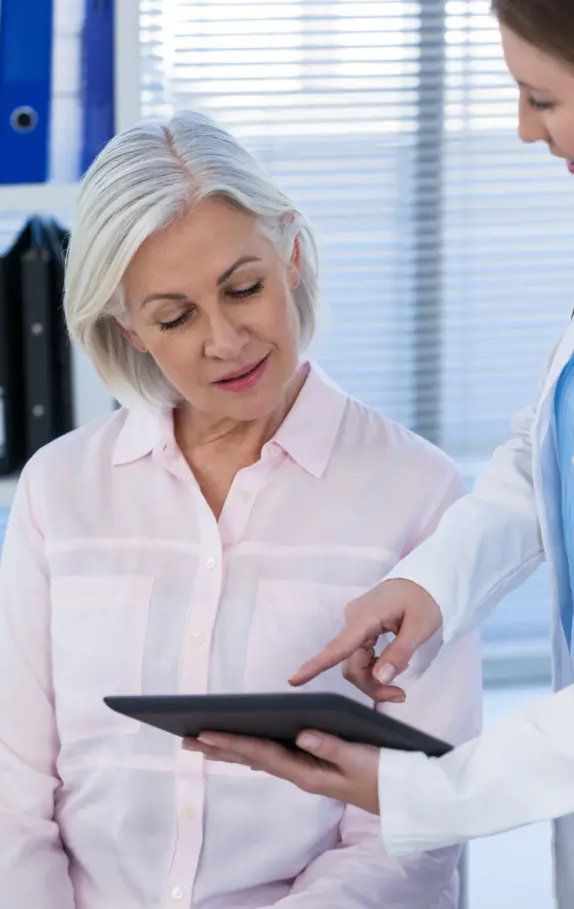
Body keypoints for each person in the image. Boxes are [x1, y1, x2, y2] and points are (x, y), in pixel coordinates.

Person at [183, 0, 574, 908]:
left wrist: (426, 792)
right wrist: (432, 585)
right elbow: (554, 447)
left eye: (542, 98)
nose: (519, 130)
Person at [0, 112, 481, 907]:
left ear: (290, 254)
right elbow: (13, 787)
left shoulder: (414, 490)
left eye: (243, 288)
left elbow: (415, 811)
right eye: (175, 316)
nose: (225, 340)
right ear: (130, 328)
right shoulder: (62, 490)